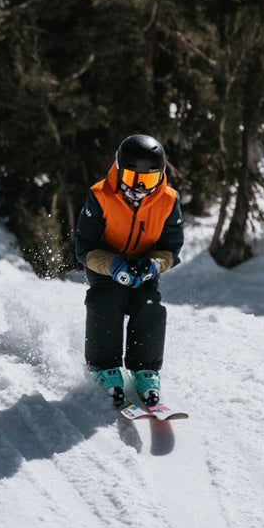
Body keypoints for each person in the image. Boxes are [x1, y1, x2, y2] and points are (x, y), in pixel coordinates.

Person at [77, 134, 185, 412]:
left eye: (147, 181)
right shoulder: (100, 195)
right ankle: (105, 367)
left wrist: (153, 265)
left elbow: (171, 249)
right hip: (105, 265)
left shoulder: (168, 201)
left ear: (160, 176)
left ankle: (144, 370)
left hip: (144, 267)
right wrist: (113, 266)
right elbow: (84, 249)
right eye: (132, 177)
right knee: (107, 299)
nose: (138, 187)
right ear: (118, 167)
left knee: (148, 304)